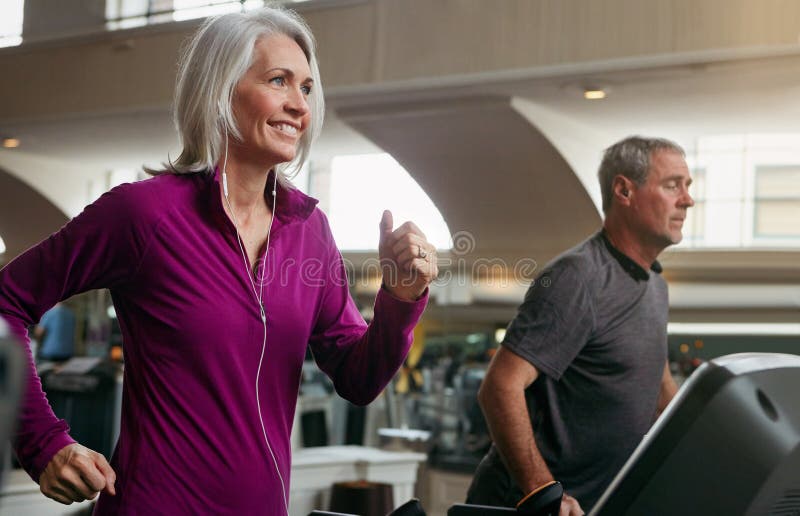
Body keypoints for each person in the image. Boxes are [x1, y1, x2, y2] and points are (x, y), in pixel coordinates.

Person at [0, 7, 437, 515]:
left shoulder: (309, 232)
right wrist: (42, 442)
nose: (299, 105)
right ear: (220, 89)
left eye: (308, 89)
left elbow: (359, 380)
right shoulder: (145, 214)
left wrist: (402, 298)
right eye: (279, 81)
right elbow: (6, 302)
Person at [466, 136, 692, 514]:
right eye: (672, 186)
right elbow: (500, 386)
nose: (687, 199)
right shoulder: (579, 277)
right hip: (526, 506)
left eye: (687, 187)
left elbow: (657, 384)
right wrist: (543, 493)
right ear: (624, 190)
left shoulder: (655, 285)